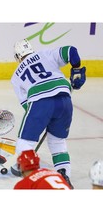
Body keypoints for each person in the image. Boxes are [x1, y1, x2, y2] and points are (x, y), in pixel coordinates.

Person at [10, 39, 87, 189]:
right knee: (57, 141)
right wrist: (76, 70)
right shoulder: (45, 54)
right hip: (65, 101)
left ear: (18, 57)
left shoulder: (15, 76)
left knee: (25, 142)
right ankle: (64, 177)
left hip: (40, 103)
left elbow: (27, 105)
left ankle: (33, 179)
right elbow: (71, 51)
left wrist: (43, 118)